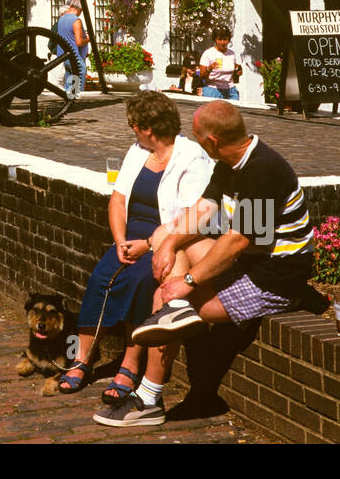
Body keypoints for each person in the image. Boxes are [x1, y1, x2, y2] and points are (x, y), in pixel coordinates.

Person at [115, 100, 317, 427]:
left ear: (213, 140)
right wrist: (167, 243)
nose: (193, 141)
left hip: (274, 279)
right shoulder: (229, 162)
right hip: (251, 263)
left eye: (196, 137)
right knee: (172, 242)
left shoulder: (263, 170)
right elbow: (203, 209)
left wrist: (189, 282)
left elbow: (238, 241)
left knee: (167, 297)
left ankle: (149, 398)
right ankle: (172, 324)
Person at [56, 93, 213, 417]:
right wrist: (119, 240)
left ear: (148, 128)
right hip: (129, 239)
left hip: (164, 238)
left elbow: (190, 216)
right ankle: (83, 359)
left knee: (143, 282)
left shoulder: (190, 157)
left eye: (134, 126)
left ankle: (130, 364)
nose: (132, 131)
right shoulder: (138, 151)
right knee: (100, 278)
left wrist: (150, 245)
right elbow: (118, 199)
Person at [56, 0, 89, 98]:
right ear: (79, 8)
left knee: (69, 80)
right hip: (74, 56)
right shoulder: (76, 20)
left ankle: (69, 101)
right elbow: (79, 42)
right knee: (78, 78)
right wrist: (88, 39)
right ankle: (75, 101)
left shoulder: (61, 19)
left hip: (64, 55)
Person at [199, 27, 241, 99]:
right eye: (219, 39)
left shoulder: (231, 53)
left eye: (225, 39)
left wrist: (238, 72)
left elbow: (233, 73)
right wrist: (210, 68)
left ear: (228, 40)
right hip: (213, 90)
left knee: (232, 109)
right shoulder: (208, 53)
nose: (222, 42)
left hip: (230, 90)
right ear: (215, 39)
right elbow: (202, 75)